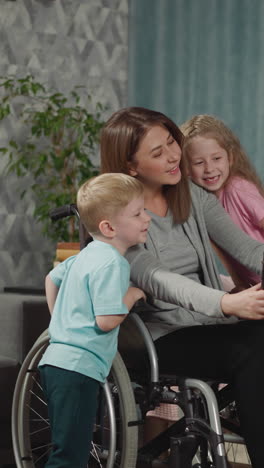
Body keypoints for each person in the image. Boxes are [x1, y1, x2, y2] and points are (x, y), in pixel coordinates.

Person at [100, 106, 264, 468]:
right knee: (256, 347)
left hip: (207, 327)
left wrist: (224, 307)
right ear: (130, 166)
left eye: (172, 142)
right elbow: (156, 278)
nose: (174, 155)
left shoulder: (193, 196)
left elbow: (250, 250)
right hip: (155, 337)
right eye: (157, 153)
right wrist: (226, 303)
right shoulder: (118, 215)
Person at [38, 173, 150, 468]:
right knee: (70, 457)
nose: (147, 218)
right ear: (109, 227)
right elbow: (107, 320)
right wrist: (133, 294)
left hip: (56, 362)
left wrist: (58, 322)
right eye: (138, 213)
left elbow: (51, 279)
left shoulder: (86, 254)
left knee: (66, 446)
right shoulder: (114, 262)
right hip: (78, 369)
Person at [181, 114, 264, 289]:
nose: (209, 169)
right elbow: (226, 254)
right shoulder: (201, 204)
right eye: (198, 162)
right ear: (186, 168)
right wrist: (241, 286)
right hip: (254, 285)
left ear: (230, 158)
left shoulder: (238, 188)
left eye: (216, 159)